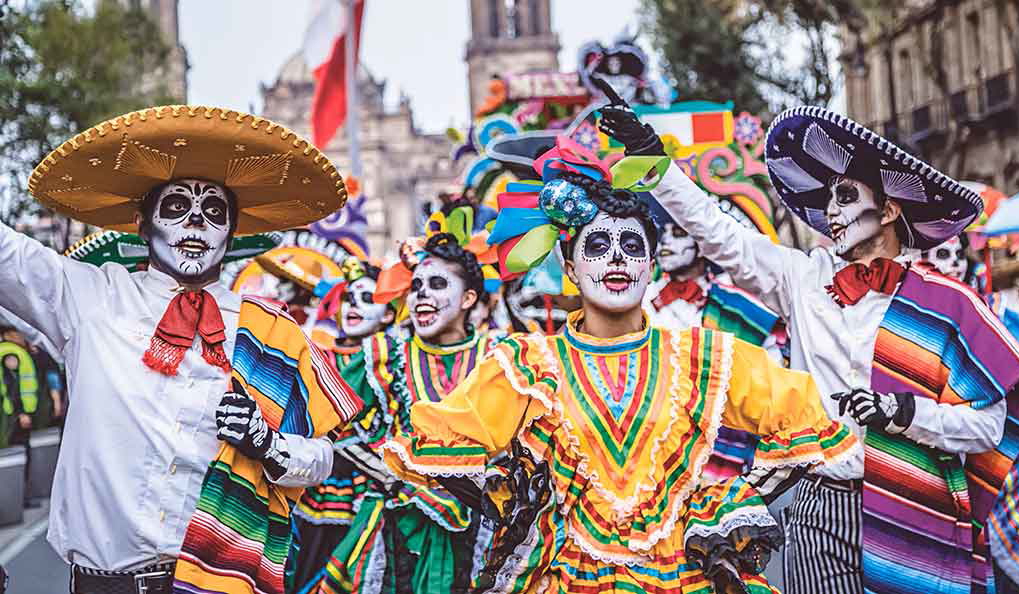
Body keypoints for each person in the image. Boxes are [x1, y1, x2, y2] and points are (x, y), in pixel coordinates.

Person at [599, 102, 1019, 594]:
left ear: (890, 208)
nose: (831, 210)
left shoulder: (947, 305)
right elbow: (719, 233)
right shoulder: (802, 279)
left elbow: (987, 427)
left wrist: (905, 414)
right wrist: (656, 164)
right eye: (829, 197)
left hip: (914, 507)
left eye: (845, 195)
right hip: (819, 503)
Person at [383, 137, 858, 593]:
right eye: (596, 247)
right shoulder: (526, 365)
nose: (616, 259)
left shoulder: (704, 356)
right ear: (569, 267)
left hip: (683, 574)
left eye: (632, 247)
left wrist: (732, 501)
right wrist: (525, 500)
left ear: (651, 265)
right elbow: (441, 443)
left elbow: (806, 421)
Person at [0, 105, 360, 594]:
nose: (196, 224)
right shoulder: (89, 299)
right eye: (176, 208)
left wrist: (267, 443)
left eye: (214, 213)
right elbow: (9, 256)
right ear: (143, 223)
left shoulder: (273, 333)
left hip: (220, 581)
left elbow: (322, 458)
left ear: (231, 233)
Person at [315, 230, 499, 593]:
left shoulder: (499, 356)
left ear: (468, 298)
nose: (422, 295)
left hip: (480, 529)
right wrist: (391, 475)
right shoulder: (383, 354)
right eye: (415, 287)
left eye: (436, 284)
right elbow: (331, 422)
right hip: (396, 524)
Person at [289, 257, 398, 592]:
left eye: (368, 299)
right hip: (315, 484)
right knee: (306, 565)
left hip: (372, 492)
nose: (354, 306)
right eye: (350, 297)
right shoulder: (317, 354)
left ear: (390, 314)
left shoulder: (397, 360)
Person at [642, 202, 786, 360]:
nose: (666, 241)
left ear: (703, 245)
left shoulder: (738, 307)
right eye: (663, 233)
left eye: (678, 233)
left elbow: (769, 369)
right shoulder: (642, 297)